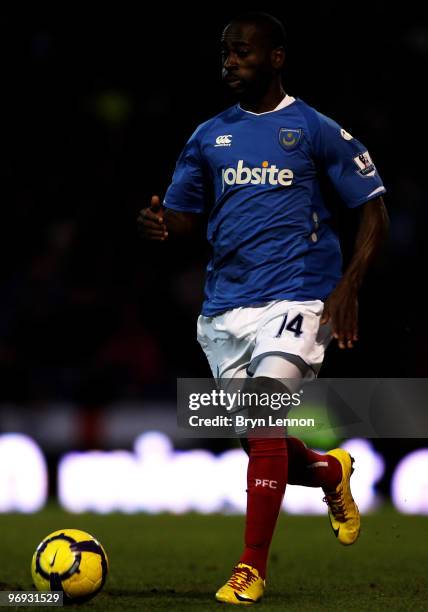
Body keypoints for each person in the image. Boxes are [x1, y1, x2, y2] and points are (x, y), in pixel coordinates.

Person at [138, 11, 389, 605]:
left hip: (300, 297)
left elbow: (373, 206)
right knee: (258, 439)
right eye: (225, 51)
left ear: (277, 57)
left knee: (260, 416)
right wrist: (160, 224)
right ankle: (330, 472)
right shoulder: (207, 136)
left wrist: (348, 285)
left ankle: (250, 568)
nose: (230, 61)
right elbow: (184, 215)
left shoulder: (314, 129)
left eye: (243, 51)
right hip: (225, 309)